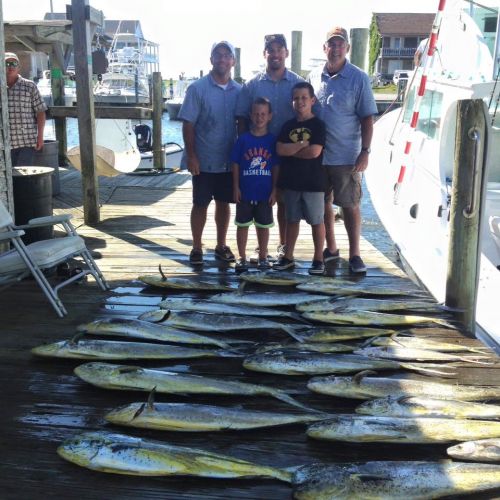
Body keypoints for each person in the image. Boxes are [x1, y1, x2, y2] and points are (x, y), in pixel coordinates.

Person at [309, 27, 378, 274]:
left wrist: (366, 151)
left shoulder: (359, 78)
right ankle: (332, 249)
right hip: (318, 156)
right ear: (324, 48)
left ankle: (355, 254)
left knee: (350, 205)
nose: (335, 48)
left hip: (346, 156)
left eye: (340, 44)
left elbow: (367, 119)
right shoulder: (313, 76)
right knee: (323, 205)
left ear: (347, 48)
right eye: (331, 44)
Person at [236, 34, 305, 262]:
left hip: (289, 153)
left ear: (286, 53)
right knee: (261, 200)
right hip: (258, 153)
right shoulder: (252, 85)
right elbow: (242, 119)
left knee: (283, 201)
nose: (275, 54)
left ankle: (284, 246)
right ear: (264, 54)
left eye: (279, 49)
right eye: (270, 50)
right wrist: (246, 149)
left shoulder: (297, 82)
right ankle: (259, 250)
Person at [178, 41, 242, 265]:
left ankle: (221, 245)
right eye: (218, 55)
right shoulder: (197, 88)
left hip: (227, 161)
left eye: (227, 55)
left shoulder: (240, 91)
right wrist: (192, 155)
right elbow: (188, 124)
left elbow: (242, 125)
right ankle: (196, 247)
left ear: (233, 61)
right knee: (200, 203)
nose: (222, 59)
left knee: (224, 204)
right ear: (211, 59)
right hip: (203, 159)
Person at [273, 82, 327, 275]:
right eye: (296, 98)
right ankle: (288, 257)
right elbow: (280, 149)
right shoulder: (288, 126)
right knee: (291, 220)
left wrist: (292, 150)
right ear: (291, 102)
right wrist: (302, 145)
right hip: (292, 182)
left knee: (316, 221)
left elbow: (314, 152)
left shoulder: (318, 125)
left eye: (304, 97)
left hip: (314, 183)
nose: (300, 101)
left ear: (312, 100)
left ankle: (318, 259)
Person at [231, 97, 279, 272]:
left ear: (270, 116)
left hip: (264, 193)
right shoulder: (242, 140)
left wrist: (275, 189)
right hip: (244, 192)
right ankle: (241, 257)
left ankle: (263, 257)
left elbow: (275, 166)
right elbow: (235, 164)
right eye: (256, 114)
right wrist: (235, 187)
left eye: (263, 114)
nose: (260, 118)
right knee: (242, 225)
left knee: (263, 226)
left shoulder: (273, 141)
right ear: (250, 116)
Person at [5, 52, 46, 166]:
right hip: (4, 144)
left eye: (14, 63)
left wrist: (40, 137)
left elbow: (41, 112)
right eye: (7, 64)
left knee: (24, 179)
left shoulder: (30, 86)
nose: (11, 66)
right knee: (8, 179)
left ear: (19, 67)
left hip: (26, 142)